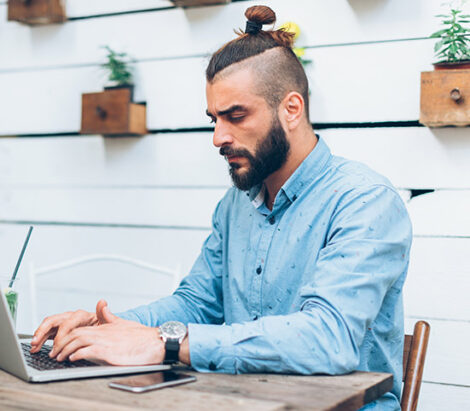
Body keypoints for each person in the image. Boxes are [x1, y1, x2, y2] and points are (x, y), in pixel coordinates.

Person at [31, 6, 411, 410]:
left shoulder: (364, 201)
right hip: (246, 401)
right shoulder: (235, 205)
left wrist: (166, 342)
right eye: (214, 118)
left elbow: (328, 338)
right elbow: (197, 304)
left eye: (236, 116)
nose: (218, 137)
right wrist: (109, 328)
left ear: (292, 109)